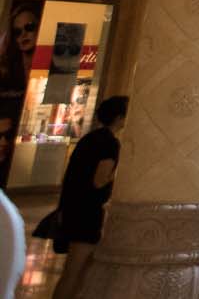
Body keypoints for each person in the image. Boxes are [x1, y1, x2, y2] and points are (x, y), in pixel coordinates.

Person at [47, 95, 126, 299]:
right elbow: (100, 180)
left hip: (74, 207)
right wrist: (122, 173)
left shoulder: (89, 139)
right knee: (74, 272)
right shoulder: (109, 143)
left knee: (78, 271)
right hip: (87, 212)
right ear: (119, 118)